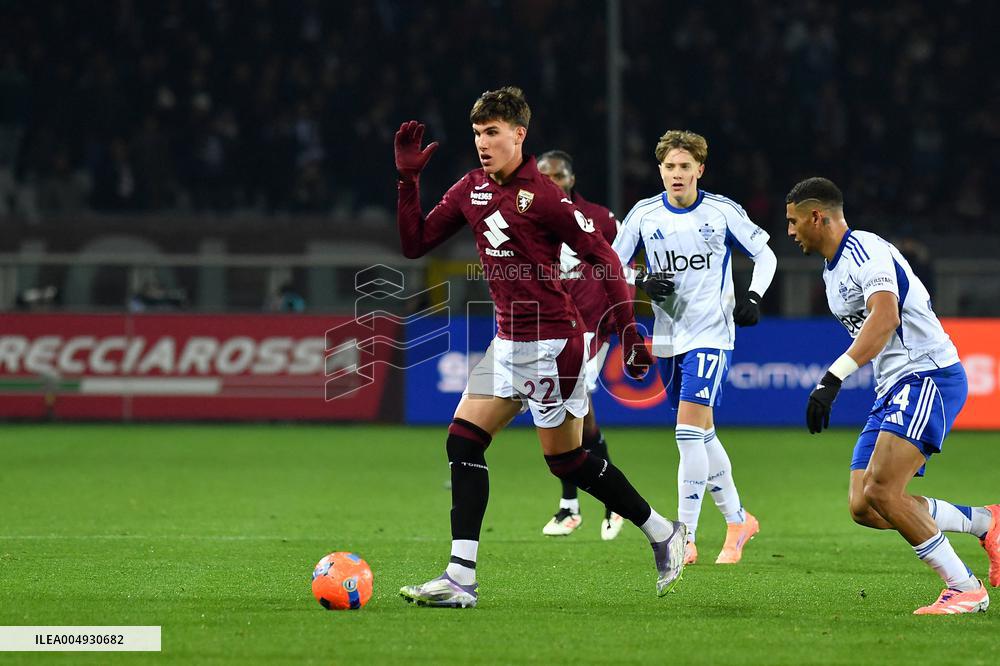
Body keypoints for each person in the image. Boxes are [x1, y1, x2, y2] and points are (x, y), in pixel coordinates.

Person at [393, 87, 686, 608]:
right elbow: (414, 242)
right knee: (462, 441)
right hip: (507, 340)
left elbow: (604, 261)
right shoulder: (470, 189)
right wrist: (409, 180)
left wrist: (628, 333)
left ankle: (663, 531)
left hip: (554, 343)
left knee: (568, 463)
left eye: (493, 133)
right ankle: (461, 578)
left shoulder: (545, 197)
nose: (483, 143)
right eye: (478, 133)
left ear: (518, 135)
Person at [786, 176, 999, 615]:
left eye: (792, 221)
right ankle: (986, 522)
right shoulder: (831, 272)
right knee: (864, 505)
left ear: (816, 216)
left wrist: (833, 377)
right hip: (894, 387)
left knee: (883, 489)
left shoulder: (866, 250)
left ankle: (965, 588)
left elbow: (885, 317)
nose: (790, 231)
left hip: (927, 375)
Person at [612, 130, 777, 566]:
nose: (677, 174)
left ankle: (684, 535)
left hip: (711, 334)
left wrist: (755, 296)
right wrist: (640, 281)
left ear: (700, 170)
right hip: (666, 336)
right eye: (670, 167)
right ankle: (739, 520)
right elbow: (609, 265)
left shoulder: (721, 211)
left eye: (685, 166)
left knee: (686, 432)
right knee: (701, 433)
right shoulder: (645, 215)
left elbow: (767, 255)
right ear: (660, 170)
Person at [536, 149, 624, 540]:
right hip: (547, 330)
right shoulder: (532, 220)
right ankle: (580, 506)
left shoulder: (600, 219)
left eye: (556, 176)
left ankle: (586, 506)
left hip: (589, 329)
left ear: (571, 179)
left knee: (571, 415)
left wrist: (643, 281)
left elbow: (623, 260)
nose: (549, 182)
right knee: (566, 419)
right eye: (543, 176)